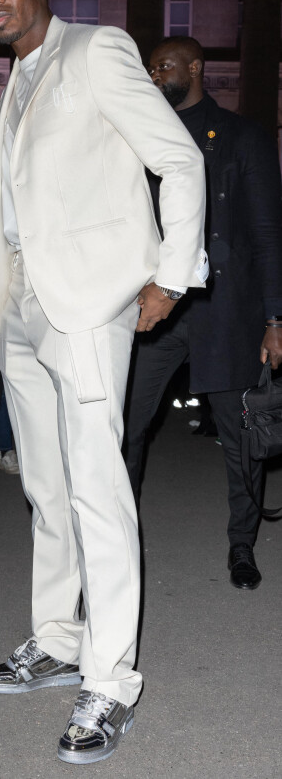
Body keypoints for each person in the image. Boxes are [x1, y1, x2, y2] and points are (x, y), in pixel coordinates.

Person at [0, 0, 207, 765]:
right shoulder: (15, 77)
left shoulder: (98, 49)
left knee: (99, 490)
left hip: (90, 305)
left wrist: (170, 276)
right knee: (45, 486)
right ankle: (59, 638)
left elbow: (177, 159)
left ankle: (111, 679)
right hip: (24, 308)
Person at [123, 36, 282, 590]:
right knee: (125, 427)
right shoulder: (139, 136)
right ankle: (117, 542)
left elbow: (266, 235)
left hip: (226, 310)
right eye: (149, 65)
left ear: (196, 67)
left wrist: (275, 319)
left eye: (164, 64)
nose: (154, 72)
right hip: (155, 311)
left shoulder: (243, 137)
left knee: (242, 438)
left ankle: (242, 544)